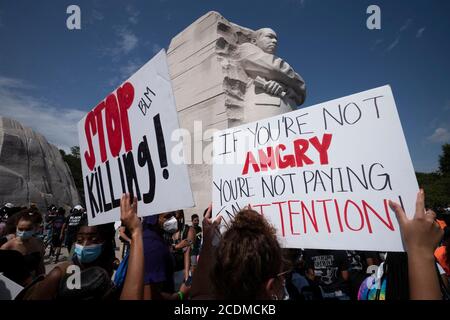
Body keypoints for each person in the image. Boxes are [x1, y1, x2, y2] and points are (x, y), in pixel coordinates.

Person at [17, 194, 143, 300]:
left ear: (105, 241)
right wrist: (136, 232)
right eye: (80, 240)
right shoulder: (60, 273)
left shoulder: (107, 269)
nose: (84, 245)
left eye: (93, 239)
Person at [237, 28, 306, 105]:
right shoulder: (246, 48)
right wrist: (296, 82)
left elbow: (301, 94)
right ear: (254, 41)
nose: (275, 41)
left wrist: (284, 87)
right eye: (269, 37)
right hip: (261, 104)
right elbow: (273, 68)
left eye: (276, 39)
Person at [141, 212, 189, 300]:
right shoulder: (153, 246)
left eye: (173, 215)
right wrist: (181, 295)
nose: (173, 220)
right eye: (168, 216)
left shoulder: (150, 237)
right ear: (154, 219)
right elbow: (150, 294)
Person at [0, 210, 45, 278]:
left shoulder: (39, 243)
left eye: (28, 229)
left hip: (32, 283)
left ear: (35, 228)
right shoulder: (7, 247)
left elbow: (40, 265)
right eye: (20, 229)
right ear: (16, 227)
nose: (23, 232)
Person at [169, 210, 195, 289]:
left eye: (176, 216)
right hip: (168, 272)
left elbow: (188, 247)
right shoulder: (165, 231)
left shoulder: (188, 230)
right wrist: (177, 247)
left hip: (182, 271)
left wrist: (186, 276)